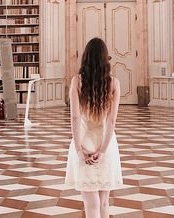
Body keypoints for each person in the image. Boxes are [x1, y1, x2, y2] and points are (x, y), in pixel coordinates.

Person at [65, 38, 122, 218]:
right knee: (104, 203)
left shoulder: (77, 81)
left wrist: (78, 148)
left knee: (91, 205)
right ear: (106, 59)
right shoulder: (114, 83)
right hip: (106, 143)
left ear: (85, 57)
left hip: (84, 142)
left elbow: (75, 117)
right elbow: (112, 121)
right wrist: (103, 151)